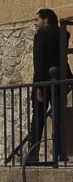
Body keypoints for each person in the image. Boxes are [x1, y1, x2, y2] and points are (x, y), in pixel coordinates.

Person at [28, 8, 70, 161]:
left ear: (45, 19)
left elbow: (38, 63)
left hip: (44, 82)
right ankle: (60, 152)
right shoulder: (64, 33)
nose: (35, 23)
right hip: (59, 80)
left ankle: (33, 155)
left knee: (38, 118)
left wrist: (38, 86)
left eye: (37, 19)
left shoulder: (40, 36)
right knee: (58, 116)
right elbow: (63, 58)